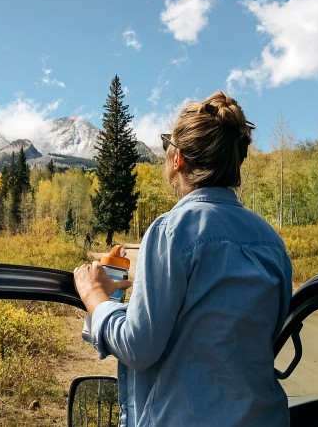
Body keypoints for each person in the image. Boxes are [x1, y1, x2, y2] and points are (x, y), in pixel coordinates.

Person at [73, 91, 293, 426]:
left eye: (167, 144)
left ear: (179, 160)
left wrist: (94, 295)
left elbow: (138, 346)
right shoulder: (271, 242)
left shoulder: (171, 231)